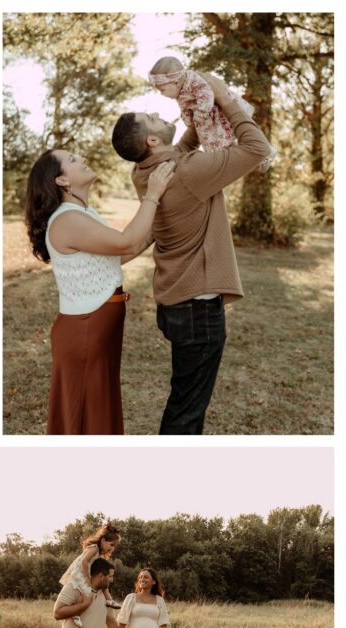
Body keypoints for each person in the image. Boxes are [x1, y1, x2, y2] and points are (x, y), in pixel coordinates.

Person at [111, 72, 271, 434]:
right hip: (198, 308)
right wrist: (225, 98)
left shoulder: (146, 172)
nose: (160, 114)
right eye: (153, 119)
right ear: (153, 140)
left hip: (176, 303)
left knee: (185, 399)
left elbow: (182, 147)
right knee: (186, 411)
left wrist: (199, 106)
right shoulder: (188, 172)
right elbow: (258, 149)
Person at [24, 149, 175, 433]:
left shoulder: (82, 213)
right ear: (62, 182)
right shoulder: (67, 219)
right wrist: (152, 194)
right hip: (85, 331)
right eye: (71, 160)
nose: (82, 157)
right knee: (86, 415)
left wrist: (154, 232)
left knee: (97, 410)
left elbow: (115, 257)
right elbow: (126, 243)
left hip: (97, 328)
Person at [149, 56, 276, 170]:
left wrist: (200, 113)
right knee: (223, 143)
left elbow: (206, 94)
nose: (162, 94)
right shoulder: (179, 92)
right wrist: (188, 119)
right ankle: (256, 158)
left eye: (162, 90)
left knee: (238, 131)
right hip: (208, 118)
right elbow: (184, 108)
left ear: (175, 81)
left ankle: (266, 150)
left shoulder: (193, 80)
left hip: (217, 111)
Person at [59, 523, 123, 628]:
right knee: (87, 596)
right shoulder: (94, 548)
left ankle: (109, 600)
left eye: (114, 546)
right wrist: (87, 578)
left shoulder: (99, 553)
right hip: (80, 574)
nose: (112, 548)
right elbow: (84, 562)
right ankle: (76, 614)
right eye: (111, 545)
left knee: (103, 585)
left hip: (85, 573)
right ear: (102, 541)